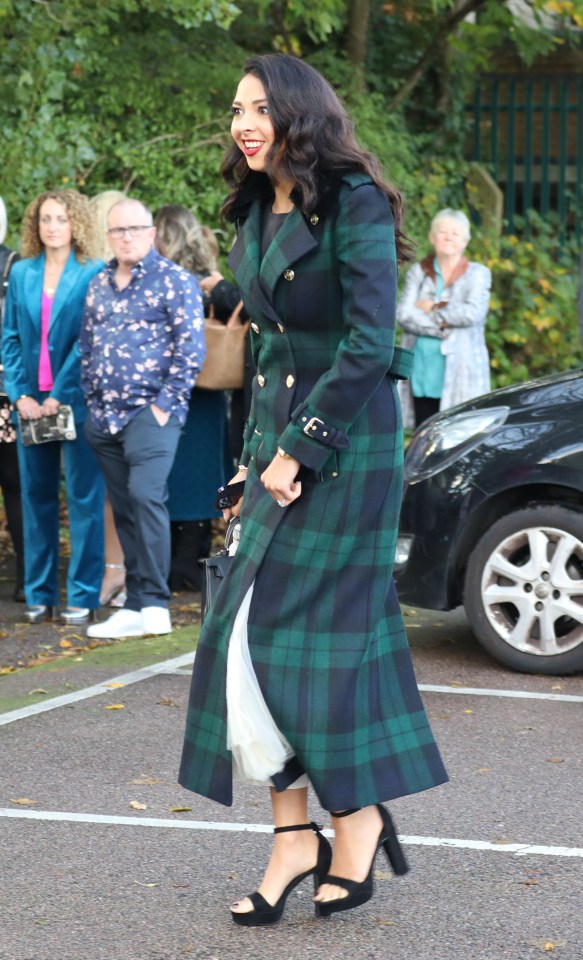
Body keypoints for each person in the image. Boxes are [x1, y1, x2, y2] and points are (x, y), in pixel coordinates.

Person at [178, 53, 448, 926]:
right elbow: (268, 355)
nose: (242, 123)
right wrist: (254, 456)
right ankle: (300, 832)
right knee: (242, 637)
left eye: (257, 107)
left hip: (348, 453)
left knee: (302, 642)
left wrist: (298, 450)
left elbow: (368, 345)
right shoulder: (255, 207)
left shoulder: (353, 200)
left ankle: (354, 821)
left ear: (296, 112)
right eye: (234, 109)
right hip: (278, 454)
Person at [80, 197, 205, 640]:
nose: (126, 237)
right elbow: (87, 345)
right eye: (118, 231)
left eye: (134, 229)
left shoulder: (175, 281)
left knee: (146, 496)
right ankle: (134, 604)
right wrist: (93, 404)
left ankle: (155, 603)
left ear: (151, 233)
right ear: (109, 237)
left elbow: (191, 351)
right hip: (106, 419)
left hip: (151, 414)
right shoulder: (98, 284)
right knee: (126, 507)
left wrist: (162, 406)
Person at [2, 190, 105, 623]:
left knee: (84, 500)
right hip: (28, 405)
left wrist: (57, 395)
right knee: (35, 498)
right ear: (35, 225)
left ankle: (82, 595)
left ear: (75, 224)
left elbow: (89, 340)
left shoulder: (93, 272)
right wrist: (20, 393)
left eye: (61, 218)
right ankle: (39, 592)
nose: (52, 227)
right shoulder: (22, 272)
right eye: (45, 219)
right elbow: (8, 337)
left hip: (75, 401)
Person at [154, 204, 234, 592]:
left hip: (185, 392)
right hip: (208, 392)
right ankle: (190, 562)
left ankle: (179, 564)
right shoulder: (204, 279)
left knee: (179, 474)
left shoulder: (172, 280)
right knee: (199, 476)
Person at [396, 209, 492, 428]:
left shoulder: (478, 274)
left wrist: (432, 307)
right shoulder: (418, 273)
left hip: (460, 371)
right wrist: (444, 325)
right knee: (424, 431)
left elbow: (472, 313)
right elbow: (403, 314)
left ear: (465, 241)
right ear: (432, 237)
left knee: (459, 432)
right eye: (442, 231)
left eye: (455, 233)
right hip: (422, 369)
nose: (448, 237)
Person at [89, 190, 128, 608]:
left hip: (126, 404)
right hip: (96, 399)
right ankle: (114, 572)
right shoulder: (95, 275)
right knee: (106, 493)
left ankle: (119, 573)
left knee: (117, 493)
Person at [0, 196, 25, 601]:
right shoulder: (19, 266)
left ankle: (27, 575)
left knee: (19, 486)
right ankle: (25, 578)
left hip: (10, 396)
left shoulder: (15, 268)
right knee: (19, 487)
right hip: (12, 392)